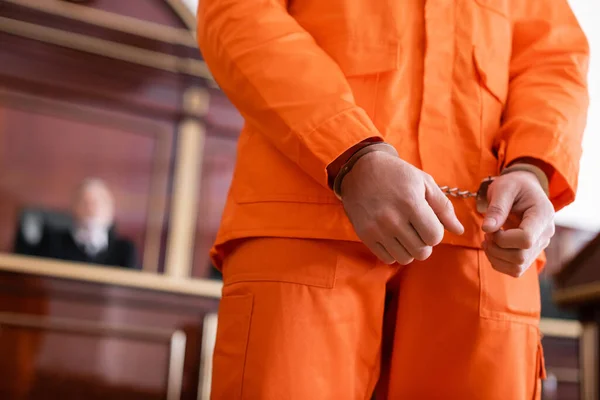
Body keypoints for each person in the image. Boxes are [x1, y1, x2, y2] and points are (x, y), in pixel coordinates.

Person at [197, 1, 589, 399]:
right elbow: (239, 13)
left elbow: (553, 58)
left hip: (483, 241)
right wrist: (350, 153)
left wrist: (532, 168)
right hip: (305, 222)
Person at [16, 178, 138, 270]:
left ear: (111, 210)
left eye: (99, 201)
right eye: (85, 202)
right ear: (73, 208)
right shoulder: (52, 242)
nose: (92, 208)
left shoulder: (125, 250)